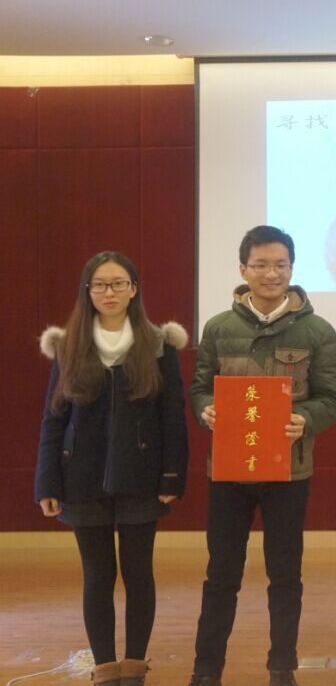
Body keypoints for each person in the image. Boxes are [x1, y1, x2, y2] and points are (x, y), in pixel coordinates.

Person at [187, 226, 336, 686]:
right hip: (228, 470)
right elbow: (199, 388)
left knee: (285, 575)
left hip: (288, 471)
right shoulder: (219, 327)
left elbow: (332, 397)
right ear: (243, 270)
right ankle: (206, 670)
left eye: (280, 264)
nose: (271, 273)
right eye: (260, 265)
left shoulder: (317, 330)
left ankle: (282, 668)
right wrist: (205, 410)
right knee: (221, 575)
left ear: (292, 269)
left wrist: (305, 419)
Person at [35, 251, 189, 686]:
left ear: (133, 290)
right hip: (80, 478)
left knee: (139, 573)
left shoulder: (157, 344)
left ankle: (135, 665)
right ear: (88, 291)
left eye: (119, 283)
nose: (109, 292)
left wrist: (172, 476)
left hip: (143, 477)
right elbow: (53, 419)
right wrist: (47, 481)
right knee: (97, 575)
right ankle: (105, 667)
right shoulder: (69, 344)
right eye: (100, 284)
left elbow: (173, 417)